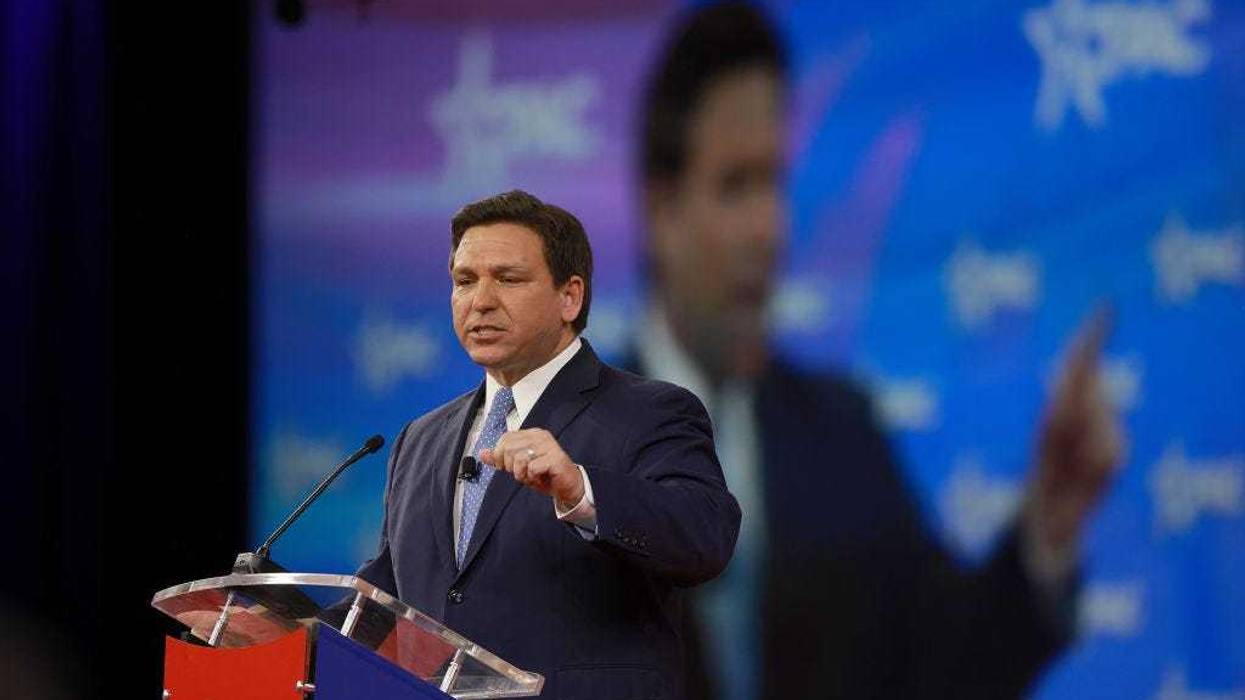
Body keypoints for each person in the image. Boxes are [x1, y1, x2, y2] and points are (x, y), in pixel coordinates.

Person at [631, 4, 1123, 699]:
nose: (769, 229)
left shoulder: (841, 433)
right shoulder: (563, 444)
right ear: (662, 213)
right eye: (736, 185)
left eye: (775, 183)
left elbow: (950, 665)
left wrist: (1049, 517)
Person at [355, 190, 741, 700]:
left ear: (570, 297)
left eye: (508, 279)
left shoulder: (651, 411)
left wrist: (580, 490)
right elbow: (386, 601)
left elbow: (705, 536)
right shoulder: (420, 439)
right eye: (464, 281)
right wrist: (288, 628)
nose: (480, 300)